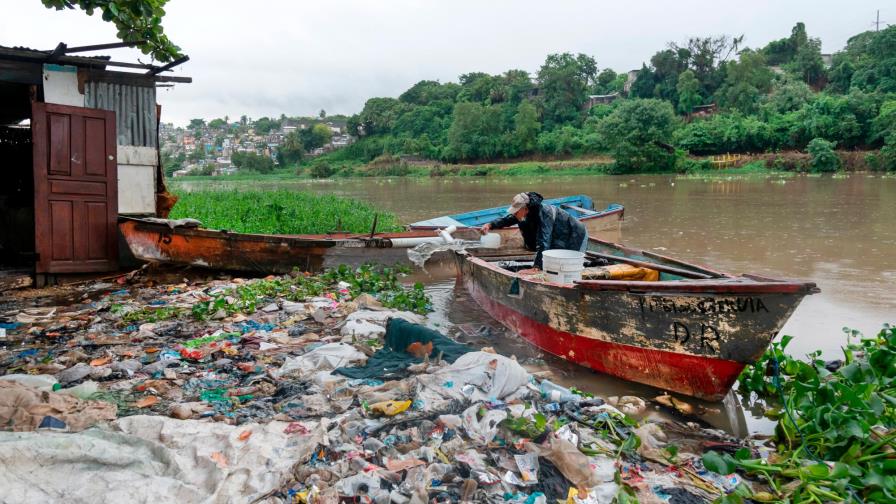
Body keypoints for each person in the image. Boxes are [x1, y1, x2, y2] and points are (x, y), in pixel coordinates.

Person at [481, 192, 587, 269]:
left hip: (575, 234)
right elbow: (508, 219)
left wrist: (536, 267)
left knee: (569, 267)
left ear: (525, 209)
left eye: (516, 212)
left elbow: (544, 242)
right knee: (553, 264)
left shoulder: (544, 214)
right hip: (559, 236)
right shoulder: (525, 212)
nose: (514, 214)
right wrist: (490, 225)